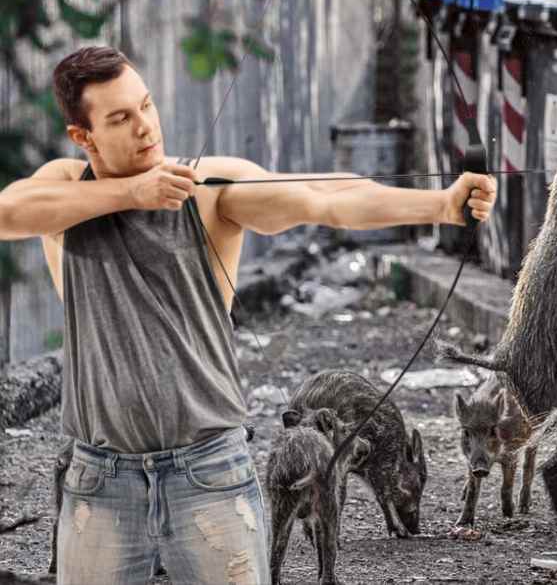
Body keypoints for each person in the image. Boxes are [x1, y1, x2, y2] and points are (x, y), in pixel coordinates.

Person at [0, 46, 497, 584]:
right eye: (120, 118)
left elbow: (323, 196)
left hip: (208, 472)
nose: (145, 126)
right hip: (101, 478)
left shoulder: (206, 189)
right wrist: (133, 193)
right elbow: (8, 213)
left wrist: (438, 205)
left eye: (146, 106)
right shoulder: (64, 188)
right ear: (84, 136)